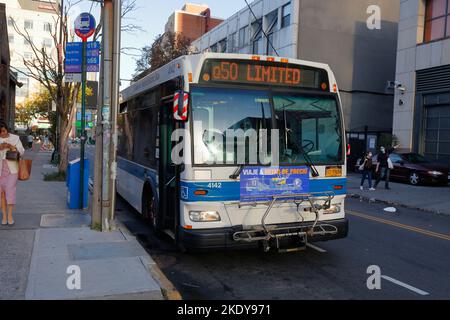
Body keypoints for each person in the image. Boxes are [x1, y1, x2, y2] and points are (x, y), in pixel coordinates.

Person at [0, 121, 25, 226]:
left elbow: (22, 151)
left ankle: (10, 216)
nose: (2, 133)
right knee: (1, 194)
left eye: (4, 131)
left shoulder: (15, 138)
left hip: (12, 169)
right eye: (0, 132)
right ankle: (4, 216)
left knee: (10, 191)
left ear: (7, 129)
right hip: (1, 170)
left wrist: (11, 146)